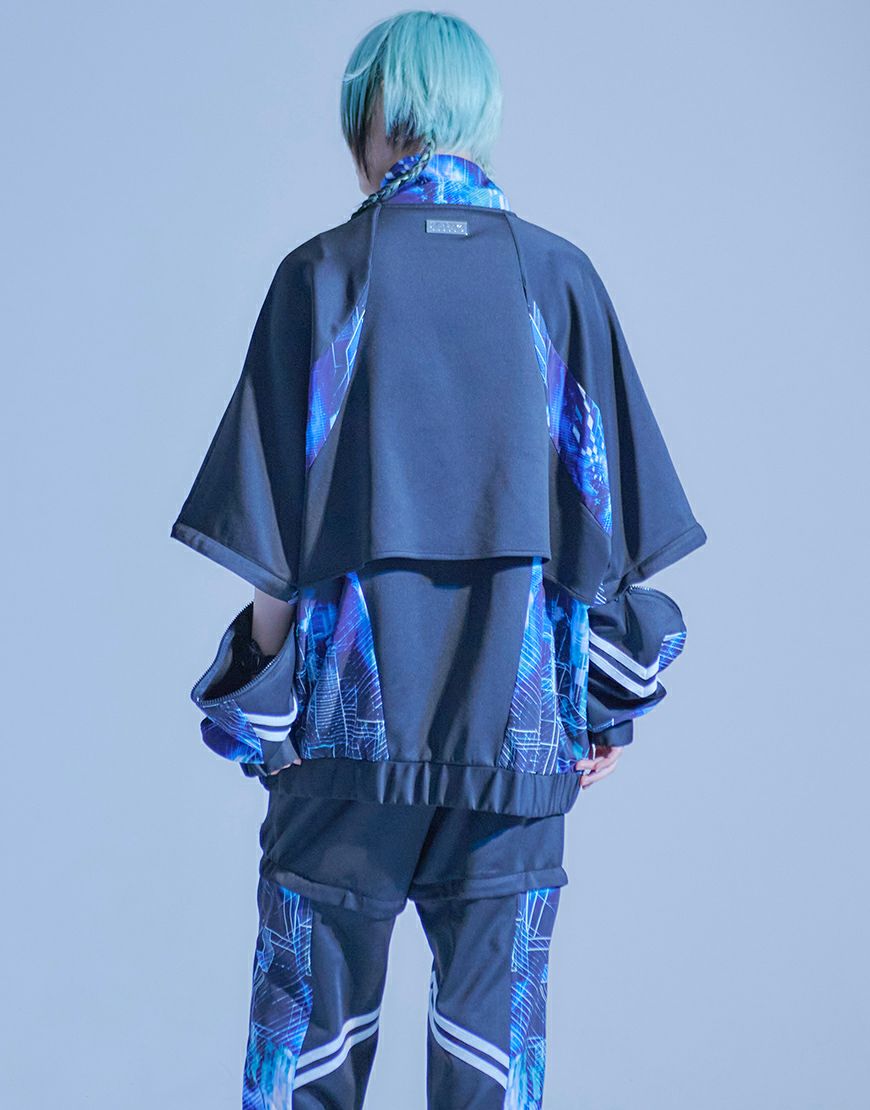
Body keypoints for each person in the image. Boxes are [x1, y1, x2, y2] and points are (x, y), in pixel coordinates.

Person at [170, 11, 707, 1109]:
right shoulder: (560, 281)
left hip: (342, 760)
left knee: (306, 1069)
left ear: (370, 118)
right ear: (478, 116)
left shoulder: (321, 277)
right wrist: (602, 712)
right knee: (492, 1076)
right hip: (515, 756)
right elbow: (609, 535)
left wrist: (261, 725)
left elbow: (273, 556)